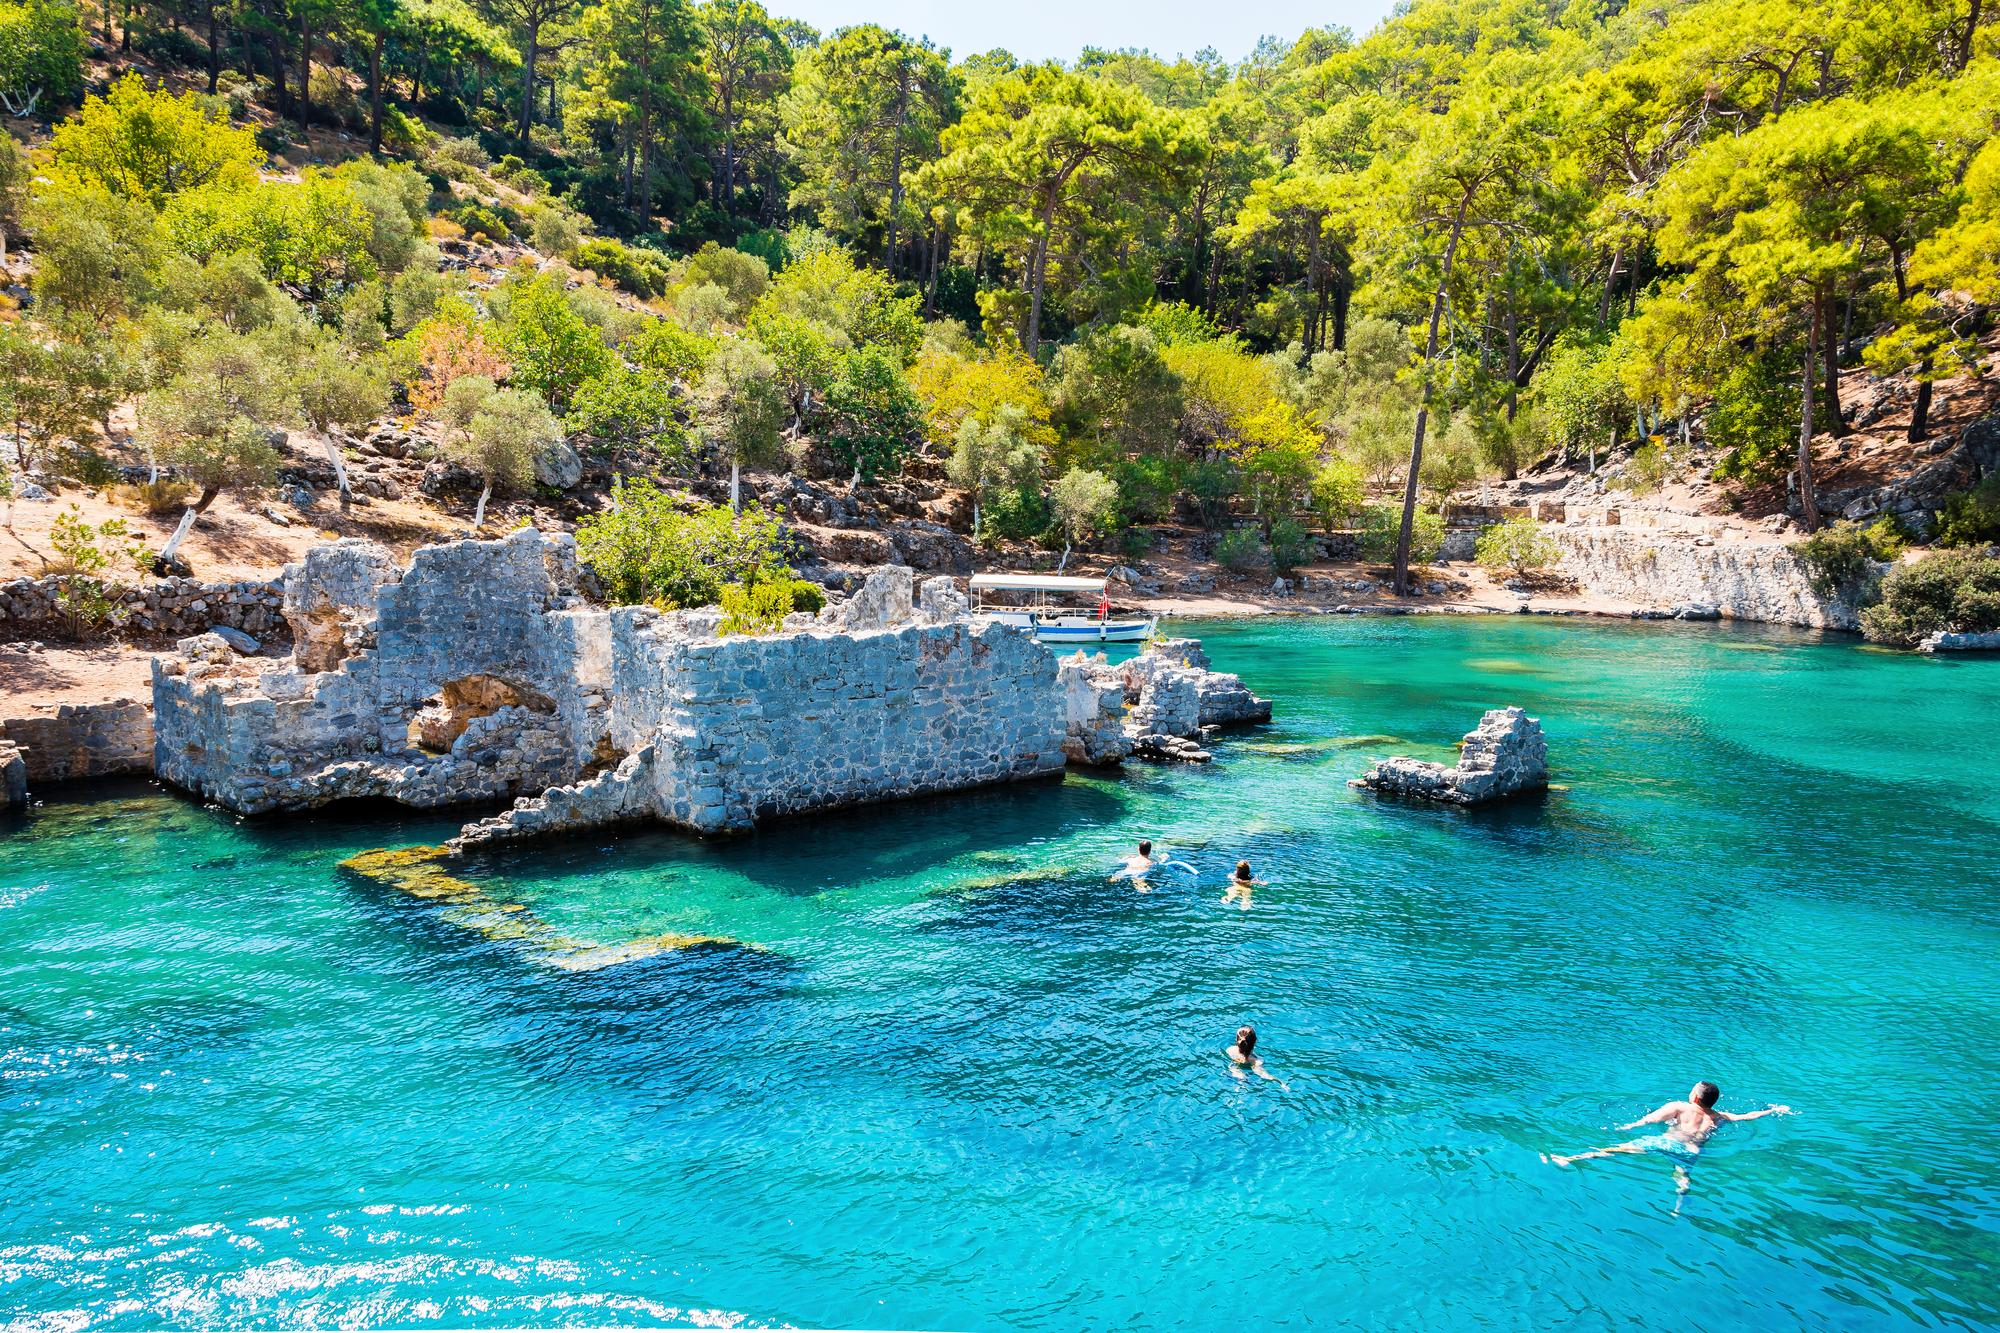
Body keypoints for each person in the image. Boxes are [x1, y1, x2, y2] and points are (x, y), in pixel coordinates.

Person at [1543, 1081, 1792, 1193]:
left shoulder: (1681, 1106)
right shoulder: (1720, 1116)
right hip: (1692, 1151)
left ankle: (1570, 1159)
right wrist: (1773, 1110)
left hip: (1668, 1142)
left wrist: (1629, 1126)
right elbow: (1747, 1116)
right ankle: (1680, 1199)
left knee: (1614, 1150)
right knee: (1682, 1175)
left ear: (1694, 1097)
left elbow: (1650, 1119)